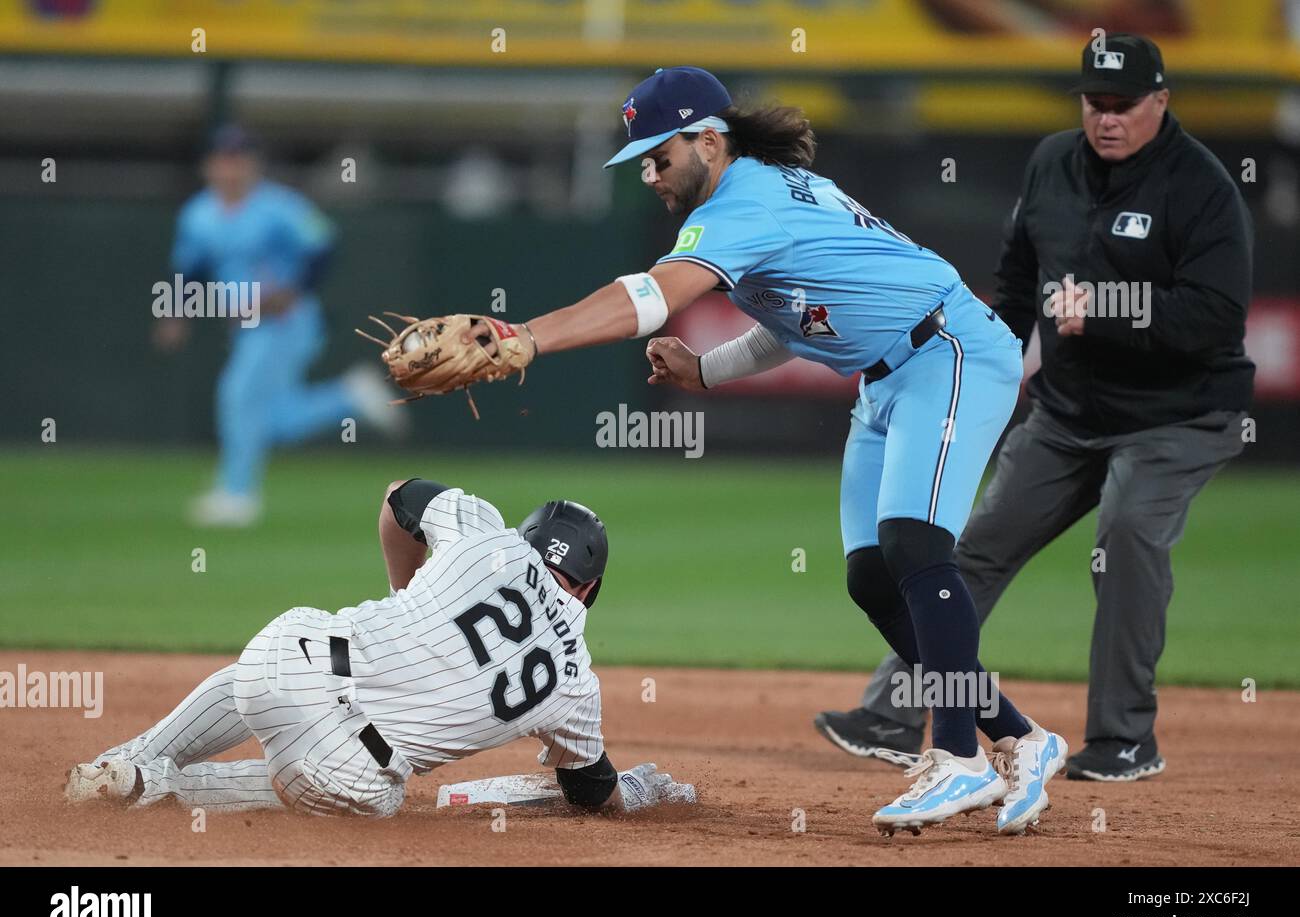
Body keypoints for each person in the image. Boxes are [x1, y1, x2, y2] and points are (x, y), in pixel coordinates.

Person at [417, 66, 1069, 835]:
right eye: (644, 162)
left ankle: (958, 756)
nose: (652, 174)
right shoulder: (759, 192)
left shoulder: (745, 201)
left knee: (916, 546)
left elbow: (648, 298)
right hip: (887, 377)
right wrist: (709, 369)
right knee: (873, 577)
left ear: (710, 141)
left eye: (661, 156)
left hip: (948, 351)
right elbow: (793, 320)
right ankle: (1022, 738)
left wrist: (528, 337)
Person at [814, 34, 1253, 784]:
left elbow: (1218, 315)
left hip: (1176, 417)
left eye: (1123, 105)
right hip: (1068, 411)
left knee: (1125, 540)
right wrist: (984, 378)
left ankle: (1123, 739)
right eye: (1094, 103)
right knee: (971, 544)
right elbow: (1017, 287)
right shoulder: (1053, 163)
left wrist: (1111, 313)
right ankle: (893, 709)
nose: (1107, 118)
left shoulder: (1200, 185)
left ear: (1161, 101)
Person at [65, 479, 691, 816]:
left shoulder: (483, 532)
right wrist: (639, 789)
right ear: (589, 589)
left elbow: (399, 494)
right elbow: (589, 791)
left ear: (528, 534)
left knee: (284, 658)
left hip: (293, 657)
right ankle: (159, 791)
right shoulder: (576, 683)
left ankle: (130, 762)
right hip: (336, 771)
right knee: (384, 795)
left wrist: (405, 591)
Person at [156, 125, 404, 528]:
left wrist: (292, 291)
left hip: (286, 321)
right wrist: (175, 312)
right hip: (246, 324)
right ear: (208, 166)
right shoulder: (199, 213)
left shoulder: (278, 207)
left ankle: (237, 495)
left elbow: (323, 244)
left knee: (238, 396)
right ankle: (347, 398)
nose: (230, 168)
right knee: (270, 419)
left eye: (239, 159)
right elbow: (190, 269)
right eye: (223, 159)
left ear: (254, 164)